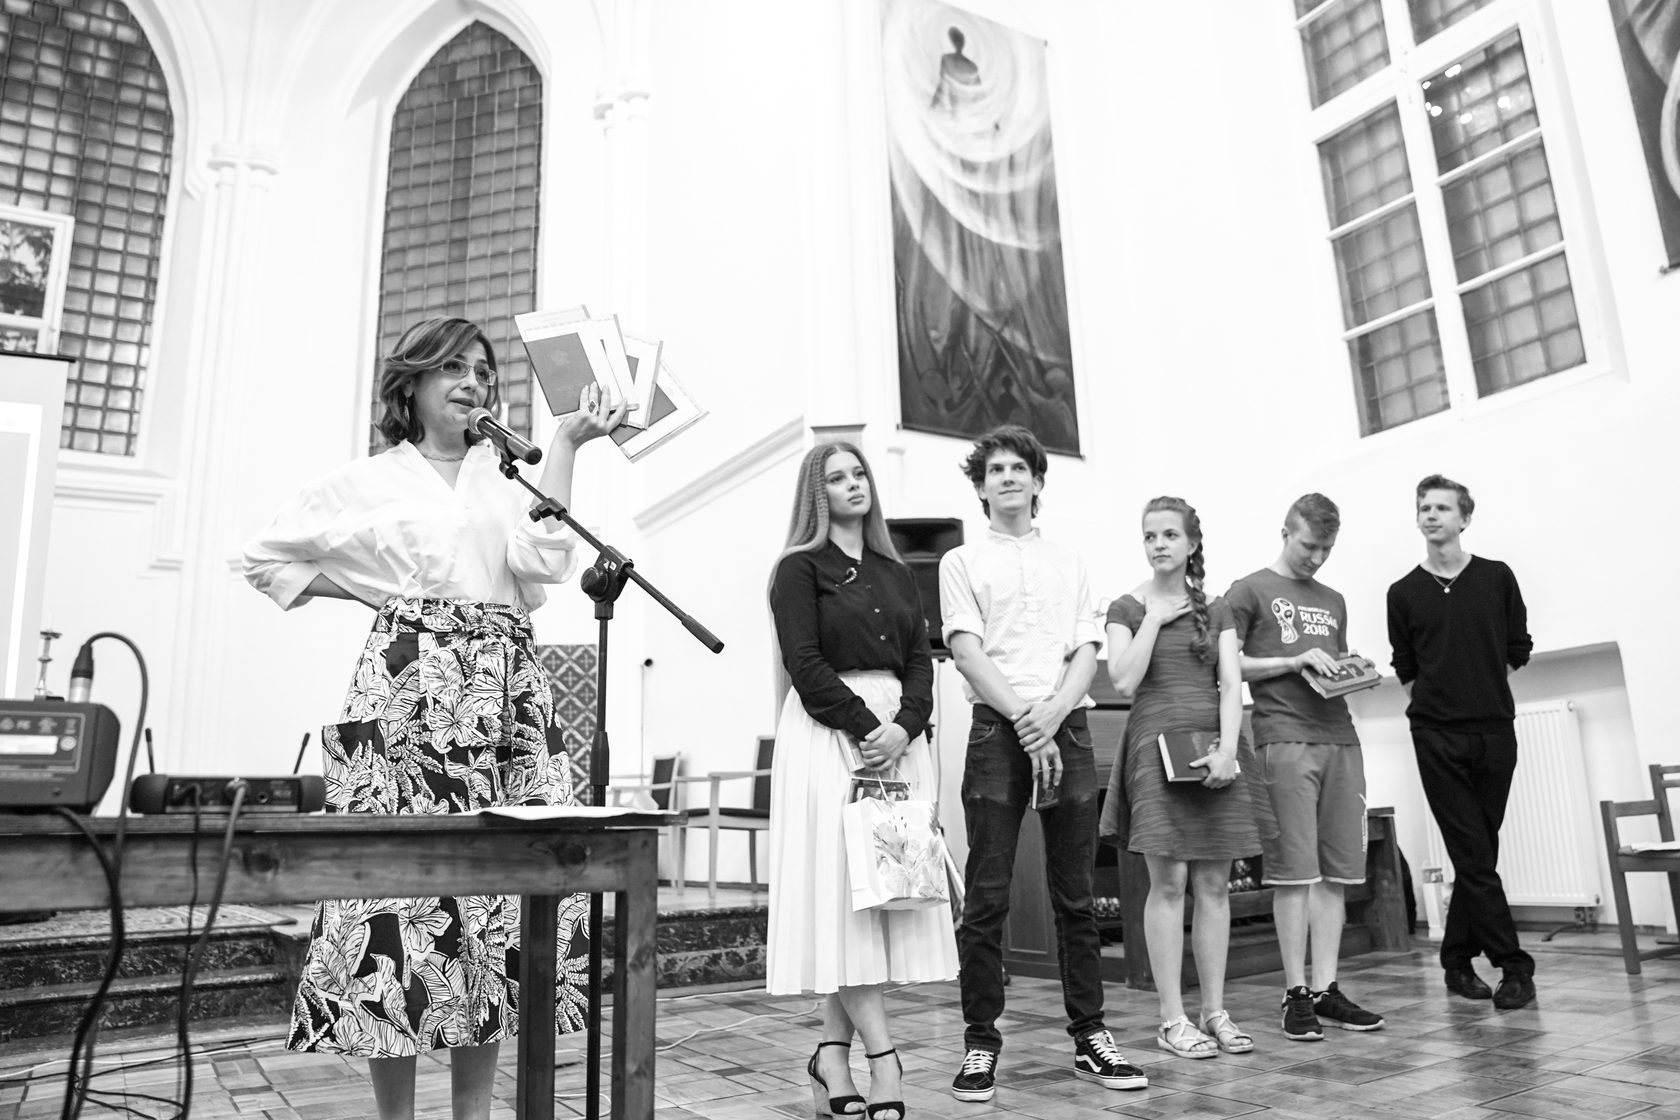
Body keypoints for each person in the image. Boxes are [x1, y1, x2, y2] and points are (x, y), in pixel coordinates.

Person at [242, 316, 624, 1120]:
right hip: (405, 693)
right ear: (410, 384)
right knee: (395, 909)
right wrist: (380, 597)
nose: (472, 382)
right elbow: (263, 557)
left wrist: (566, 445)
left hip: (503, 690)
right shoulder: (368, 480)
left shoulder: (508, 478)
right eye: (452, 368)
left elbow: (542, 563)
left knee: (494, 910)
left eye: (482, 371)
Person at [939, 425, 1146, 1102]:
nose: (1007, 478)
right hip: (998, 730)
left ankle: (1090, 1036)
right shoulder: (961, 561)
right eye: (994, 470)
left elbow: (1088, 647)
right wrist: (1029, 725)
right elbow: (966, 652)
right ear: (981, 487)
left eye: (1018, 468)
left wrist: (1054, 714)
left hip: (1069, 726)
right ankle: (980, 1042)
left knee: (1076, 896)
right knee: (987, 896)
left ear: (1036, 482)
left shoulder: (1069, 558)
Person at [765, 441, 958, 1120]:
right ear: (815, 494)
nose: (853, 484)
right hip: (830, 737)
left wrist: (905, 726)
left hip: (898, 740)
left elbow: (921, 660)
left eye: (859, 474)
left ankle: (830, 1055)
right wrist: (864, 727)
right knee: (841, 899)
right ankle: (885, 1059)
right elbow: (803, 662)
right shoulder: (797, 569)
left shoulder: (896, 570)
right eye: (836, 478)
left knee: (872, 906)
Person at [1100, 497, 1261, 1060]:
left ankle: (1215, 1012)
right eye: (1150, 536)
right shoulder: (1125, 607)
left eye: (1170, 534)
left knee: (1214, 885)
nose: (1159, 544)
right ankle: (1172, 1019)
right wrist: (1152, 618)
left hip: (1212, 749)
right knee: (1167, 884)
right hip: (1154, 752)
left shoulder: (1217, 610)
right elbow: (1123, 680)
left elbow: (1230, 684)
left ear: (1192, 543)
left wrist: (1228, 752)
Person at [1226, 494, 1385, 1043]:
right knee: (1294, 873)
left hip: (1340, 738)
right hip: (1283, 738)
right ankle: (1295, 993)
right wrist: (1292, 660)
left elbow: (1328, 665)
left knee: (1338, 872)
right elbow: (1227, 664)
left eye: (1326, 549)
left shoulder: (1334, 599)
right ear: (1285, 533)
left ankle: (1326, 989)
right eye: (1308, 546)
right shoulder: (1248, 590)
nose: (1316, 558)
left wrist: (1353, 670)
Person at [1387, 474, 1536, 1010]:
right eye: (1424, 508)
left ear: (1464, 518)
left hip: (1494, 731)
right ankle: (1514, 966)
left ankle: (1455, 959)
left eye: (1442, 508)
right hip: (1435, 736)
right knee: (1473, 853)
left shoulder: (1496, 577)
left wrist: (1480, 687)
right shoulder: (1403, 592)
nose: (1431, 515)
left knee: (1478, 853)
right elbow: (1405, 665)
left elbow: (1519, 646)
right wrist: (1440, 700)